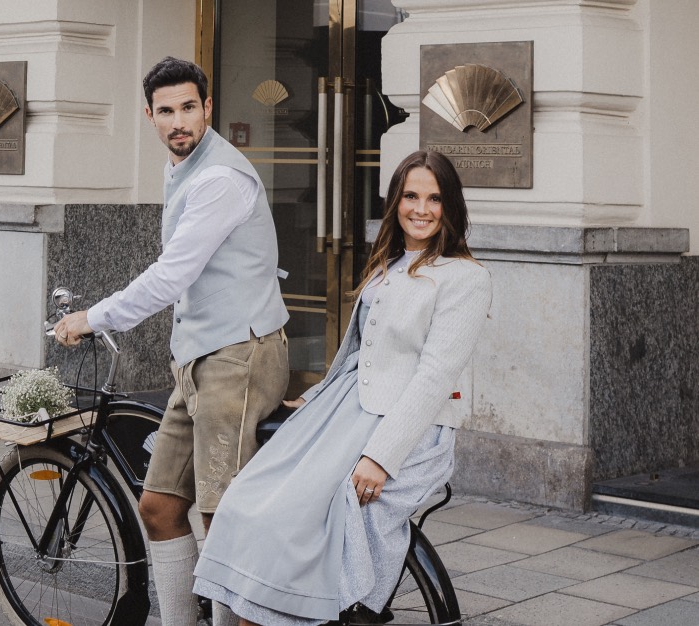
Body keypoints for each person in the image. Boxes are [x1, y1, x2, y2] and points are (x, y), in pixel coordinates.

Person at [192, 150, 493, 626]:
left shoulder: (465, 278)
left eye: (434, 198)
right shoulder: (388, 264)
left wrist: (381, 457)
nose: (421, 208)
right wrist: (313, 397)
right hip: (343, 407)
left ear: (450, 207)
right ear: (395, 202)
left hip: (393, 423)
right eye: (410, 195)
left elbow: (434, 377)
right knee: (246, 501)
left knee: (288, 524)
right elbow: (359, 351)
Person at [53, 56, 290, 626]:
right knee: (159, 509)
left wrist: (94, 317)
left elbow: (172, 274)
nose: (178, 120)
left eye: (189, 108)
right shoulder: (182, 166)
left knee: (221, 520)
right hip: (199, 358)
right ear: (150, 116)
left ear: (208, 108)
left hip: (240, 355)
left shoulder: (219, 178)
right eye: (166, 111)